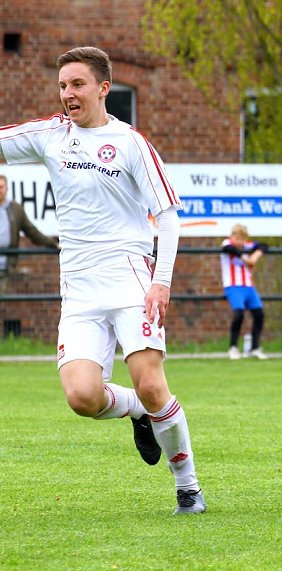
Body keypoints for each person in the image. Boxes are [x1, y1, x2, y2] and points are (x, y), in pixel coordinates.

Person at [0, 47, 205, 515]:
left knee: (153, 383)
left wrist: (161, 281)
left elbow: (168, 217)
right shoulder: (51, 135)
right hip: (79, 288)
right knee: (82, 397)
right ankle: (137, 412)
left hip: (131, 278)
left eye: (77, 84)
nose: (68, 94)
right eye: (62, 86)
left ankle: (188, 487)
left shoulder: (131, 142)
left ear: (102, 88)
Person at [0, 173, 60, 296]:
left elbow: (32, 232)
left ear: (6, 188)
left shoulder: (15, 209)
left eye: (1, 187)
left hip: (4, 266)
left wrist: (53, 244)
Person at [220, 223, 269, 360]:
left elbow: (263, 246)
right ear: (232, 236)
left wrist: (255, 256)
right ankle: (233, 347)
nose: (240, 242)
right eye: (237, 238)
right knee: (239, 314)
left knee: (259, 314)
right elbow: (229, 249)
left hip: (248, 286)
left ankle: (255, 348)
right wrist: (245, 259)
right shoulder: (227, 244)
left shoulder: (248, 246)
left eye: (242, 239)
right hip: (233, 286)